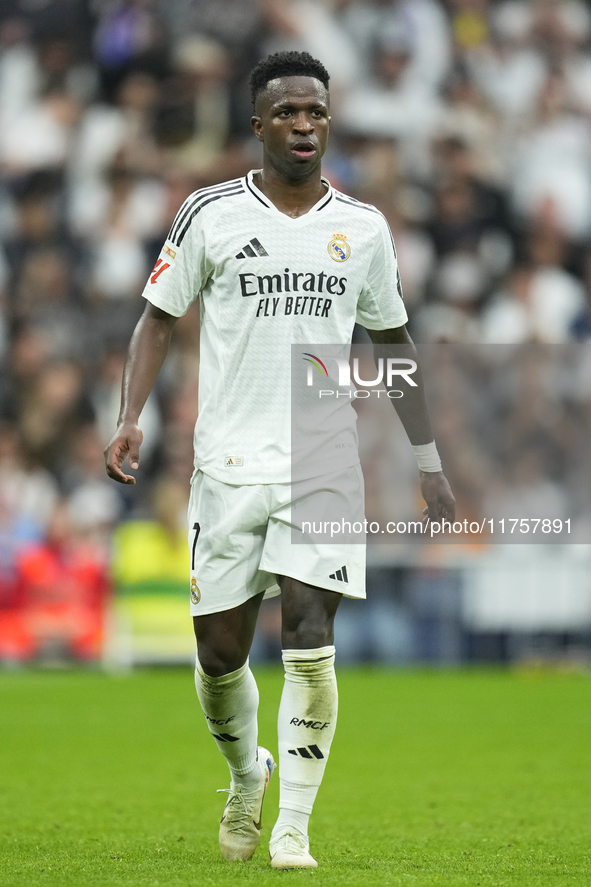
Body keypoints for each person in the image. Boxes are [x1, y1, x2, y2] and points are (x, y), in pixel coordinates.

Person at [105, 50, 455, 870]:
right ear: (258, 124)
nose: (305, 125)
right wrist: (129, 416)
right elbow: (157, 316)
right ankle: (245, 773)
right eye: (288, 112)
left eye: (316, 111)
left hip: (322, 459)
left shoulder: (361, 228)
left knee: (308, 633)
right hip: (226, 463)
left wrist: (428, 458)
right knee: (220, 655)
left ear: (328, 120)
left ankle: (293, 826)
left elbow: (391, 338)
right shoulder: (209, 214)